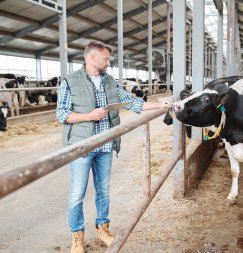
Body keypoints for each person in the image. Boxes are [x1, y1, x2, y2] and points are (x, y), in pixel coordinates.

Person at [56, 40, 172, 253]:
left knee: (103, 191)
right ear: (92, 58)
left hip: (106, 146)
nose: (109, 62)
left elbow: (131, 101)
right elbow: (61, 114)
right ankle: (77, 238)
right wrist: (88, 116)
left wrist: (159, 105)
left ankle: (102, 230)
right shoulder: (70, 81)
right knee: (77, 194)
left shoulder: (110, 81)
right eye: (106, 58)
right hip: (82, 146)